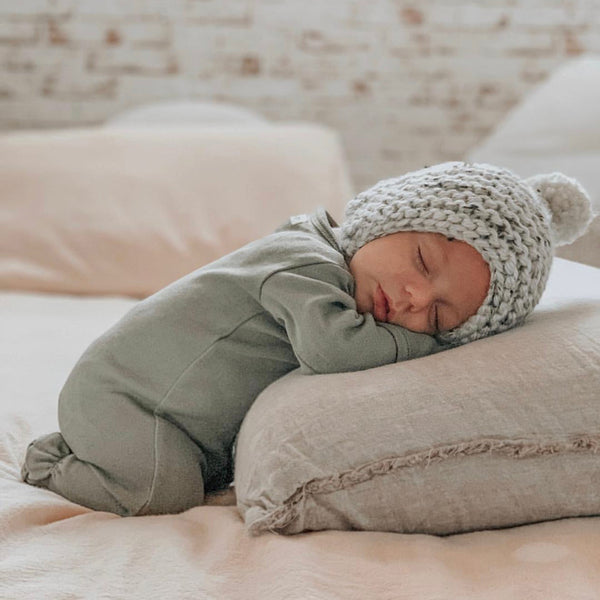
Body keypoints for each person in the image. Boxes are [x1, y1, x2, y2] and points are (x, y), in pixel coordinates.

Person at [21, 161, 593, 517]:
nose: (417, 297)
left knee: (193, 477)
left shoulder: (341, 276)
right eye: (421, 259)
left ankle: (87, 449)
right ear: (386, 217)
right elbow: (333, 349)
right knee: (158, 496)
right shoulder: (301, 261)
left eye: (443, 317)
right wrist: (433, 345)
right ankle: (50, 463)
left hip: (167, 421)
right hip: (125, 397)